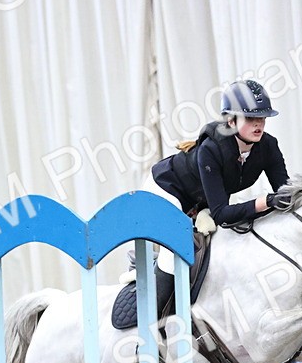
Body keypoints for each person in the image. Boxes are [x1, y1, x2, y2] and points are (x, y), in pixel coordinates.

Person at [123, 79, 292, 282]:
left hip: (201, 201)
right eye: (249, 118)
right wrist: (266, 201)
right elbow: (222, 214)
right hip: (166, 190)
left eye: (262, 117)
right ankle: (141, 275)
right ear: (231, 121)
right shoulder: (211, 149)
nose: (258, 123)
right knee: (174, 258)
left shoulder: (268, 146)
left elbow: (285, 193)